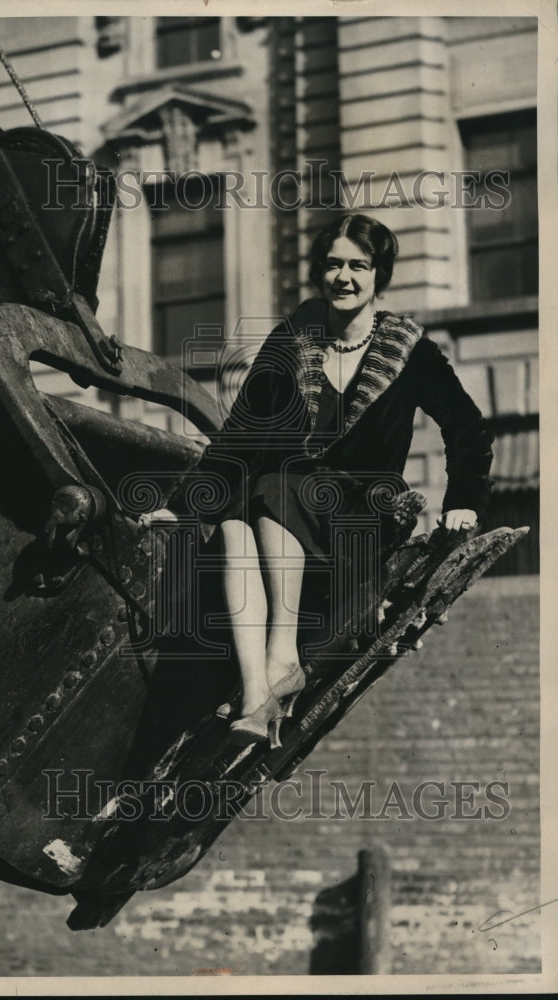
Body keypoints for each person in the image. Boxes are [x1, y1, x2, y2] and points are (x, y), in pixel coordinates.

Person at [145, 213, 494, 748]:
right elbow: (242, 431)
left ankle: (283, 654)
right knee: (234, 513)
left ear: (380, 275)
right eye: (333, 264)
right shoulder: (292, 340)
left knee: (274, 486)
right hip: (284, 506)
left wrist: (465, 499)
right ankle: (257, 691)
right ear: (318, 271)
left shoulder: (410, 350)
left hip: (361, 514)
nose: (344, 277)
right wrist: (185, 507)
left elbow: (469, 430)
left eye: (359, 265)